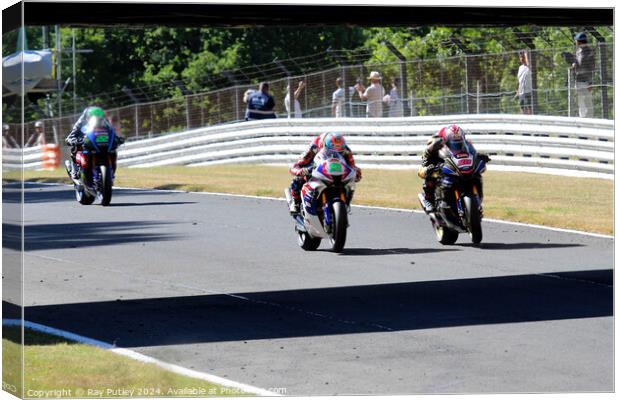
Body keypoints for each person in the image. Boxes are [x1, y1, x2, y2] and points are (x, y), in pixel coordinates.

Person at [417, 124, 489, 213]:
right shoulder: (436, 145)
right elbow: (424, 163)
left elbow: (472, 153)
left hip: (456, 165)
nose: (457, 144)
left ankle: (477, 202)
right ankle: (428, 199)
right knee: (429, 174)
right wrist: (428, 166)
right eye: (454, 141)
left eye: (459, 141)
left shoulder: (466, 143)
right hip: (437, 163)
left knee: (476, 175)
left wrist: (479, 157)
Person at [287, 132, 362, 215]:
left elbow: (352, 166)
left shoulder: (346, 150)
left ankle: (345, 203)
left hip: (334, 168)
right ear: (325, 145)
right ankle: (296, 203)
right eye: (333, 146)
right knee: (299, 179)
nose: (336, 150)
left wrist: (356, 172)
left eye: (339, 147)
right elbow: (298, 164)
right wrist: (300, 171)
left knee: (349, 183)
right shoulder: (314, 147)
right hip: (315, 165)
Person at [65, 106, 123, 179]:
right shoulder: (80, 123)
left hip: (98, 143)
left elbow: (111, 133)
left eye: (99, 117)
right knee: (75, 147)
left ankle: (111, 172)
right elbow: (70, 137)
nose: (97, 119)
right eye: (94, 116)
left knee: (112, 151)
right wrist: (74, 140)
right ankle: (74, 170)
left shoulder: (105, 123)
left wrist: (117, 139)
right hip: (85, 142)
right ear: (88, 117)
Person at [571, 32, 595, 118]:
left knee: (587, 102)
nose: (575, 42)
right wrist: (574, 64)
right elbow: (577, 63)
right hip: (578, 81)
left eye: (576, 40)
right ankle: (583, 120)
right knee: (580, 103)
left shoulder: (589, 53)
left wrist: (590, 82)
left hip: (586, 82)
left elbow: (592, 68)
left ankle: (589, 121)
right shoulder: (578, 51)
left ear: (580, 41)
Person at [515, 50, 533, 115]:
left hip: (528, 91)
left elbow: (528, 64)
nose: (521, 58)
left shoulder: (529, 66)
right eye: (520, 57)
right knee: (522, 107)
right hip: (521, 92)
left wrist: (526, 55)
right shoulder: (520, 68)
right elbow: (518, 80)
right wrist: (517, 90)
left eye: (523, 57)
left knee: (529, 107)